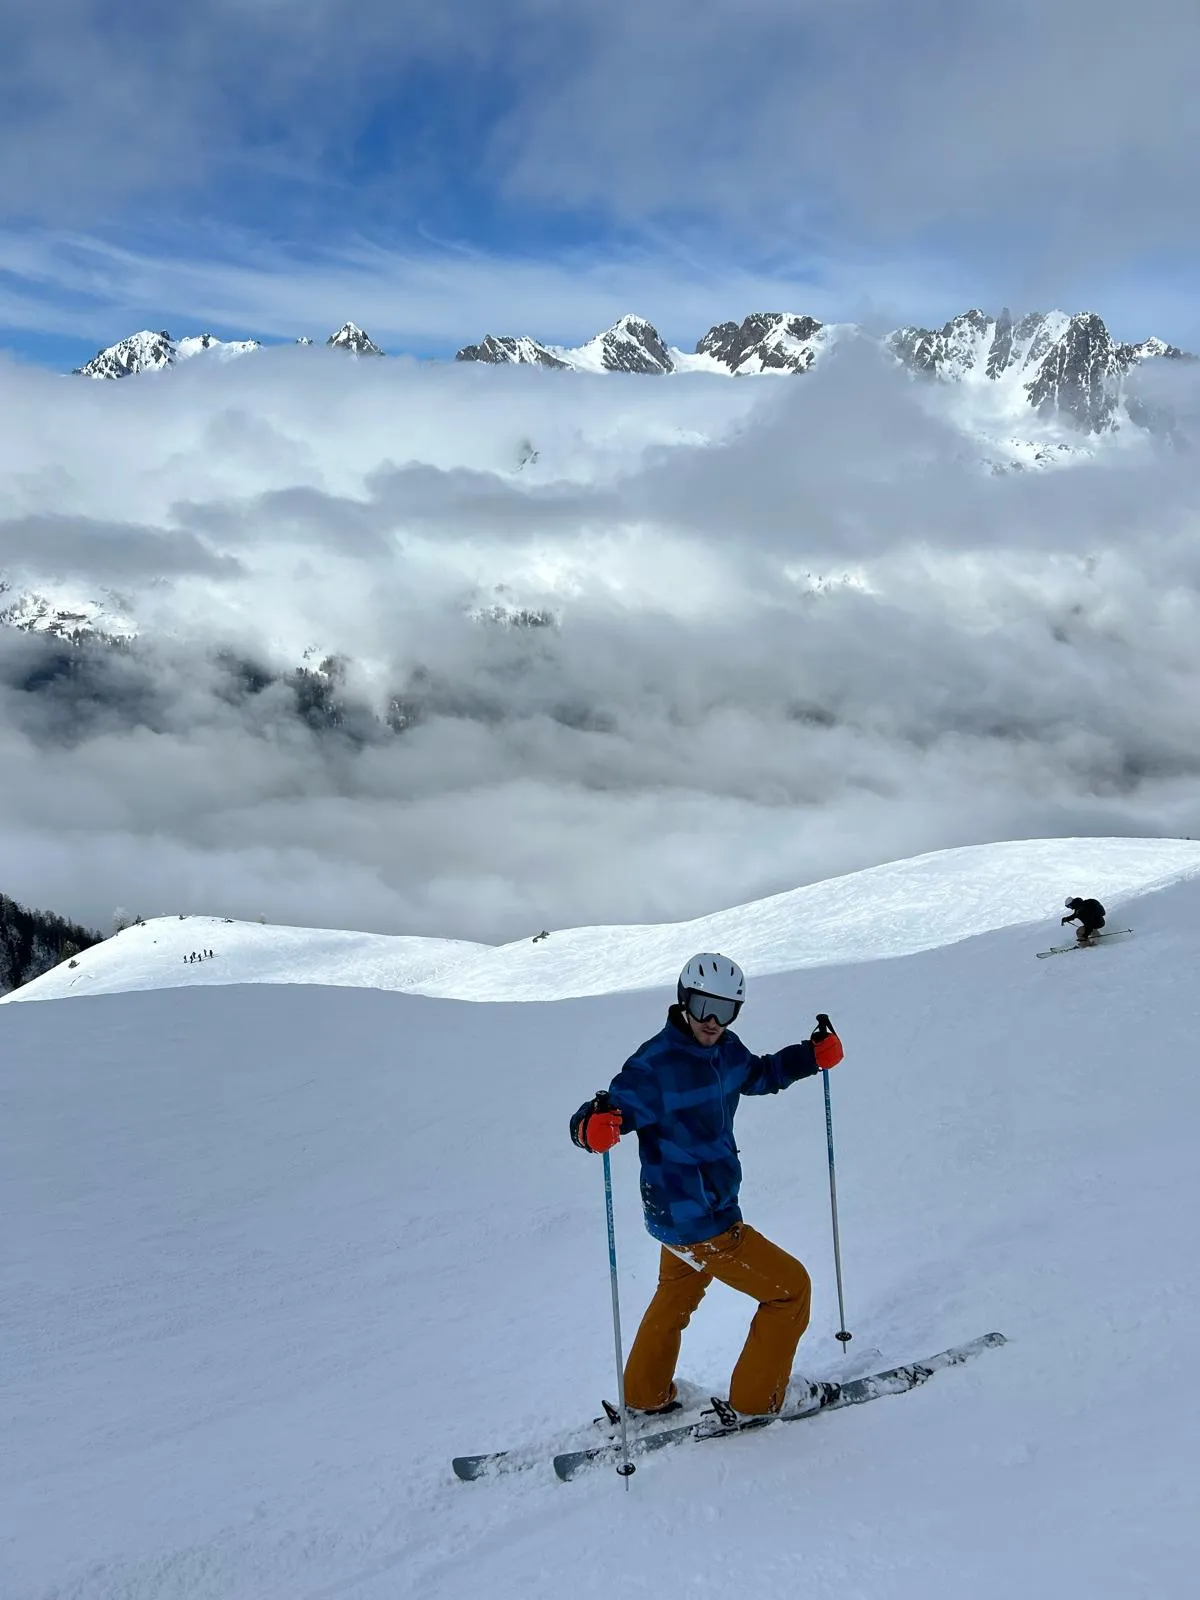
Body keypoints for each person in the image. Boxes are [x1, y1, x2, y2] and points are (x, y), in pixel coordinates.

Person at [570, 952, 843, 1421]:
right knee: (789, 1290)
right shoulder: (654, 1066)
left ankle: (646, 1394)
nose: (712, 1021)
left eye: (725, 1009)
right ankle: (761, 1401)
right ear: (683, 1001)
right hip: (702, 1218)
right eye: (702, 1006)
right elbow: (610, 1110)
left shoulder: (725, 1049)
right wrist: (591, 1127)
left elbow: (759, 1075)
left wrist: (809, 1058)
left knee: (675, 1296)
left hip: (676, 1218)